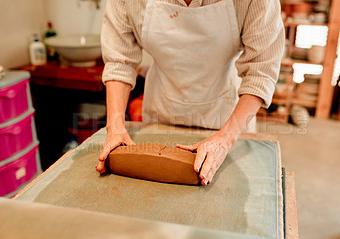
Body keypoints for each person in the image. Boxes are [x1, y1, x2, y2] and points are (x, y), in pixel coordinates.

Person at [96, 0, 285, 186]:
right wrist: (115, 127)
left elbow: (261, 70)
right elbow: (120, 62)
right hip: (161, 116)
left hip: (228, 118)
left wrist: (225, 139)